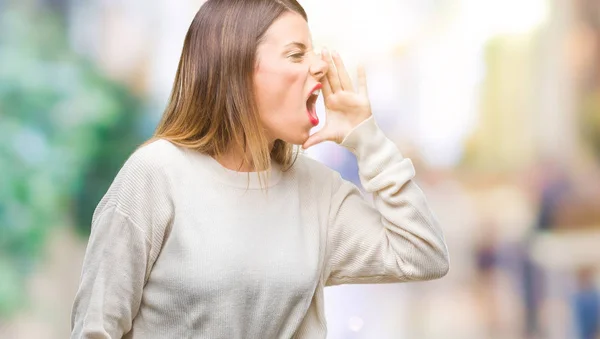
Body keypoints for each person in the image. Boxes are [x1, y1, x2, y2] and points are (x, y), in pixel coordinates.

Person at [70, 0, 449, 338]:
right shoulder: (155, 174)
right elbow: (96, 329)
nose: (319, 66)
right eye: (296, 54)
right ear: (236, 67)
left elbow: (422, 254)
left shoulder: (316, 190)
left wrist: (366, 140)